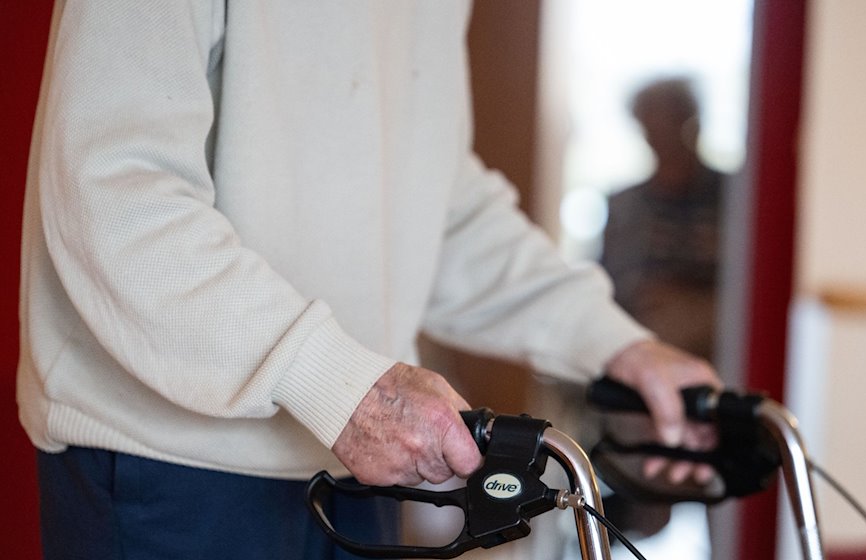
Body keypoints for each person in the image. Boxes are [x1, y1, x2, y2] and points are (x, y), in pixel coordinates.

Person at [17, 3, 720, 559]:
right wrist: (336, 381)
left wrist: (619, 346)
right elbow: (113, 189)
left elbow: (440, 212)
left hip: (355, 464)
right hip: (171, 467)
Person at [597, 77, 727, 539]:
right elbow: (607, 288)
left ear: (692, 123)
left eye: (671, 122)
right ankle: (641, 503)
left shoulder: (735, 198)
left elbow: (747, 286)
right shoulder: (624, 204)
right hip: (644, 345)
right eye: (649, 125)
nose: (661, 136)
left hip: (716, 352)